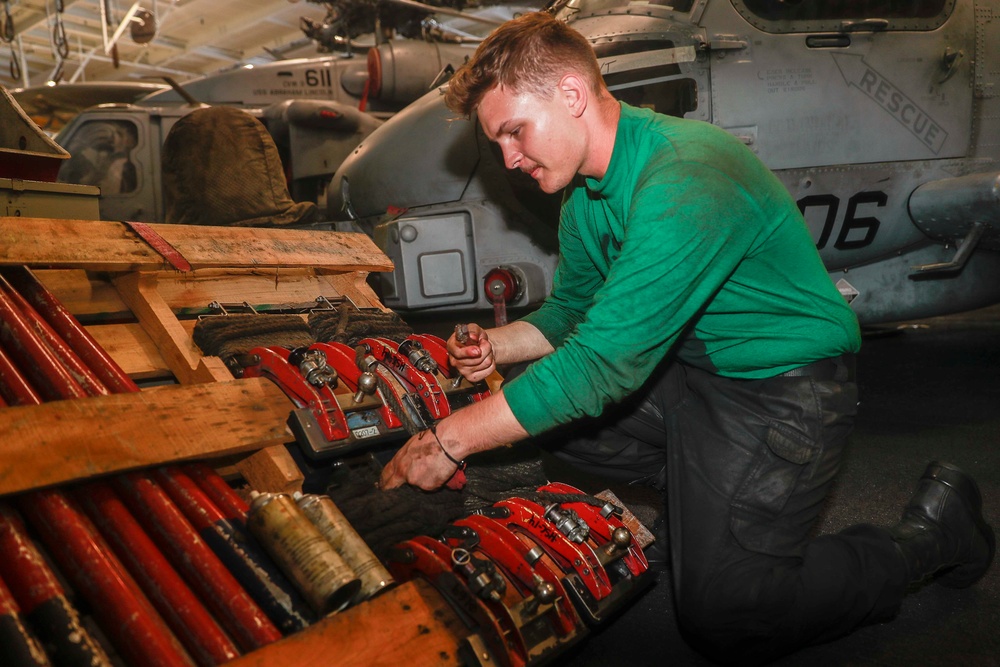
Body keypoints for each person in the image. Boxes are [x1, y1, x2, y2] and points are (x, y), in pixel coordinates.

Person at [378, 11, 994, 664]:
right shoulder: (585, 197)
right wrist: (495, 348)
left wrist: (448, 439)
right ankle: (710, 506)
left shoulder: (683, 176)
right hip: (694, 373)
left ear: (571, 94)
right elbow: (571, 314)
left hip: (786, 390)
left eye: (514, 132)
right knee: (553, 417)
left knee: (727, 615)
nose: (508, 157)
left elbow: (601, 365)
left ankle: (933, 534)